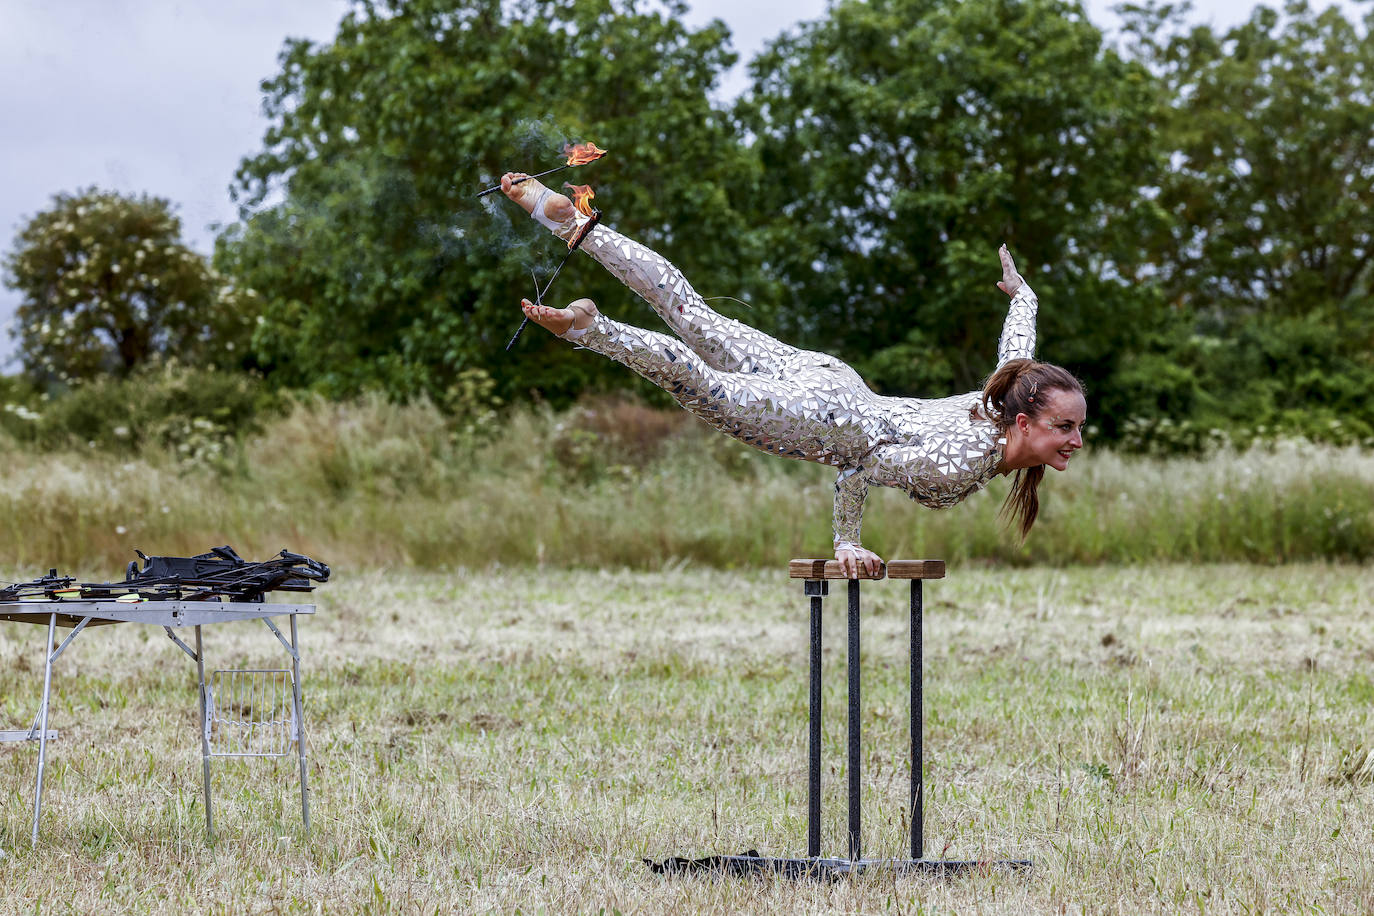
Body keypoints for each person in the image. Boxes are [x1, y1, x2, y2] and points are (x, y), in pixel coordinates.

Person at [499, 173, 1086, 577]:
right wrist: (848, 542)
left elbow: (1019, 354)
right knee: (701, 385)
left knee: (693, 314)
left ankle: (572, 222)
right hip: (820, 420)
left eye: (1076, 429)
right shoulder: (967, 456)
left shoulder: (998, 400)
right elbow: (864, 466)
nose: (1076, 441)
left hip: (832, 380)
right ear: (1026, 420)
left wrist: (1023, 297)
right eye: (1065, 427)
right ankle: (592, 328)